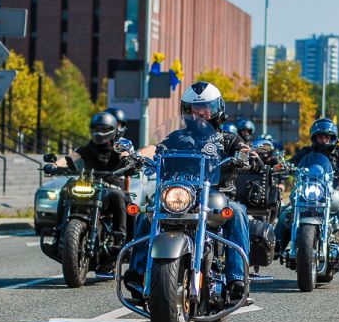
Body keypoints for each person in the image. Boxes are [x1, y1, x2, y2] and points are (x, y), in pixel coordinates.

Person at [125, 81, 253, 302]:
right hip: (180, 195)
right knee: (148, 212)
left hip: (216, 195)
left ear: (217, 109)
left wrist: (247, 156)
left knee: (238, 212)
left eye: (205, 108)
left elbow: (243, 150)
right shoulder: (178, 137)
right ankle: (137, 274)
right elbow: (156, 147)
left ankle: (237, 278)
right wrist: (137, 155)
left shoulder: (227, 139)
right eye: (193, 109)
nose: (200, 114)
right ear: (185, 111)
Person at [275, 118, 339, 255]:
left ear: (333, 137)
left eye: (327, 136)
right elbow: (291, 162)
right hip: (307, 190)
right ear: (314, 137)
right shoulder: (306, 152)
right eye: (320, 136)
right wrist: (281, 166)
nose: (324, 140)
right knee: (286, 213)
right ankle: (276, 245)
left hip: (332, 192)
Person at [53, 111, 131, 243]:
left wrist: (128, 162)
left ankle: (120, 238)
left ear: (112, 130)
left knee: (118, 196)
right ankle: (59, 232)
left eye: (103, 129)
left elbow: (125, 156)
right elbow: (69, 158)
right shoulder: (86, 148)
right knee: (66, 190)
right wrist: (54, 166)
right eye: (96, 129)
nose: (99, 132)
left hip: (112, 184)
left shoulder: (118, 147)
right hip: (90, 183)